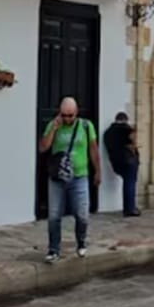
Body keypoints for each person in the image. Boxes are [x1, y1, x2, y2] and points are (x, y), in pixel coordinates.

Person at [39, 97, 100, 263]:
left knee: (82, 214)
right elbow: (43, 147)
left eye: (70, 115)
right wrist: (53, 129)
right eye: (64, 115)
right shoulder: (54, 125)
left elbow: (93, 149)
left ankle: (81, 242)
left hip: (80, 176)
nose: (67, 119)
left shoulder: (86, 126)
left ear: (76, 113)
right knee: (54, 215)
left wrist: (98, 171)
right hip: (57, 177)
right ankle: (53, 249)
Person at [103, 112, 140, 217]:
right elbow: (133, 143)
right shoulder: (127, 130)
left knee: (127, 182)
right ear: (125, 120)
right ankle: (130, 208)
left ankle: (128, 208)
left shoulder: (107, 133)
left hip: (116, 162)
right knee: (130, 183)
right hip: (129, 160)